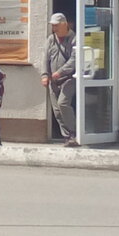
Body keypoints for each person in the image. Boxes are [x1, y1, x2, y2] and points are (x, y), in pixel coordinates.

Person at [41, 12, 78, 147]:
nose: (54, 28)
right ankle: (67, 136)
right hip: (53, 80)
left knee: (63, 103)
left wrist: (60, 72)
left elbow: (74, 60)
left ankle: (74, 133)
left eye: (56, 25)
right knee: (57, 111)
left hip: (69, 78)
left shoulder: (74, 38)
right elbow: (45, 58)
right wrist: (45, 75)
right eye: (53, 25)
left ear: (64, 24)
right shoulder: (51, 39)